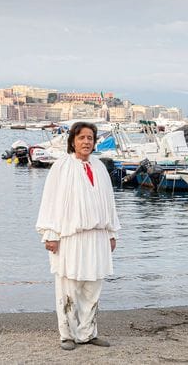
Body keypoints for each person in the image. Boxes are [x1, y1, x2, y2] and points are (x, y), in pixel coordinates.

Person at [35, 121, 121, 351]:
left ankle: (87, 332)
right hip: (70, 236)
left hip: (97, 236)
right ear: (73, 140)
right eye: (82, 137)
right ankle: (67, 334)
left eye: (90, 138)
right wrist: (50, 234)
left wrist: (111, 233)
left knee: (92, 286)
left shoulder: (100, 168)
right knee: (69, 286)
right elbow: (51, 202)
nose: (86, 142)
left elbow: (109, 203)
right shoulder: (62, 167)